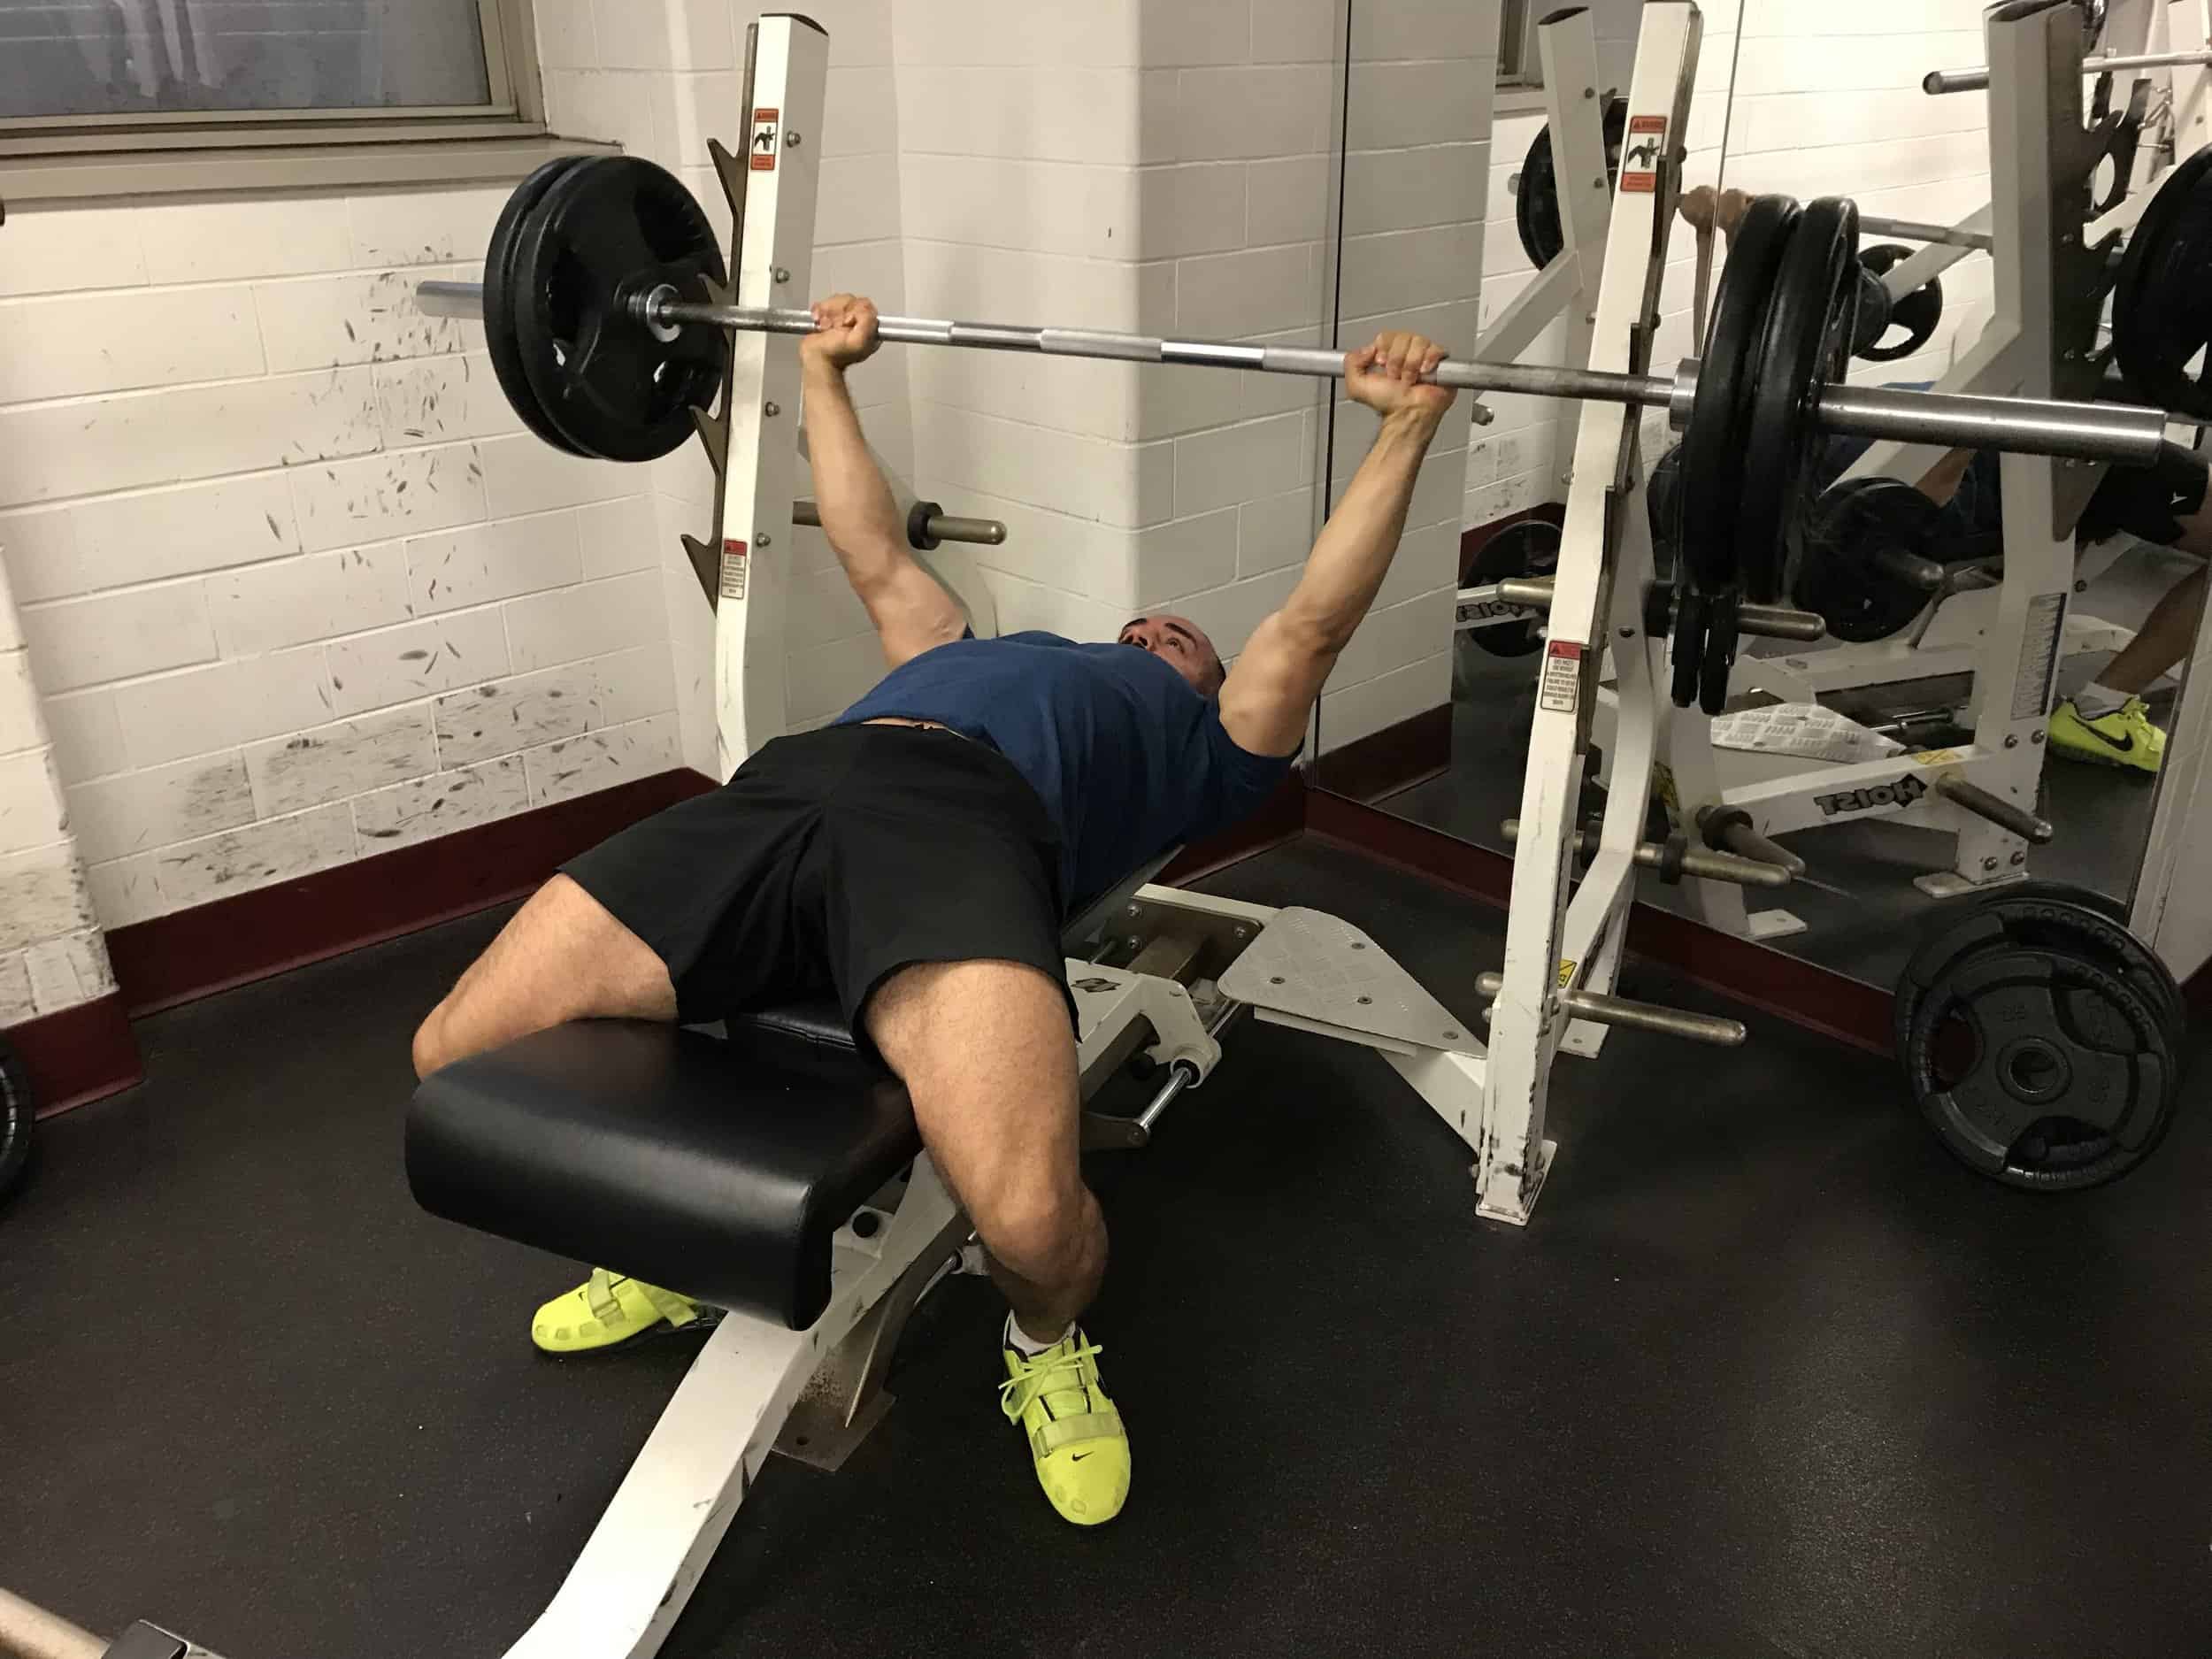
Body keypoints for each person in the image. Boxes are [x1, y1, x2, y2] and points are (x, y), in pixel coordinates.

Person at [409, 294, 1459, 1527]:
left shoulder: (1213, 745)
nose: (1163, 625)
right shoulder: (962, 646)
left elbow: (1316, 618)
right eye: (1146, 623)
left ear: (1211, 684)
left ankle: (1042, 1341)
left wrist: (1405, 430)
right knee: (456, 1054)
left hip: (963, 825)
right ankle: (676, 1261)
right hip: (794, 785)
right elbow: (871, 553)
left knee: (1029, 1219)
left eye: (1190, 640)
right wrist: (822, 371)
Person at [1675, 185, 2206, 775]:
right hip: (2033, 452)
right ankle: (2100, 711)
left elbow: (1764, 332)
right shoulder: (1797, 459)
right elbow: (1934, 479)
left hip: (1981, 426)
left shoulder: (1772, 408)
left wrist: (1737, 231)